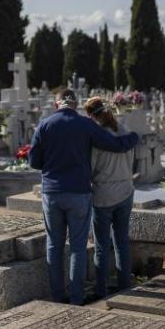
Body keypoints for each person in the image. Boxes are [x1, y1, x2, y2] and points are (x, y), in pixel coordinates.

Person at [28, 89, 139, 305]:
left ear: (56, 103)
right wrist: (134, 137)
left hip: (51, 192)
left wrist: (52, 165)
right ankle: (77, 298)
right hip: (78, 192)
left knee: (54, 245)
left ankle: (58, 296)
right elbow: (115, 145)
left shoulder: (44, 125)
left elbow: (34, 162)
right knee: (78, 247)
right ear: (75, 104)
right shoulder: (86, 124)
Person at [83, 97, 135, 298]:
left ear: (91, 116)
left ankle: (102, 288)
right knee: (122, 241)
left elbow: (92, 167)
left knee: (102, 246)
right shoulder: (125, 131)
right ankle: (124, 285)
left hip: (103, 194)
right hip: (126, 191)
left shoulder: (98, 139)